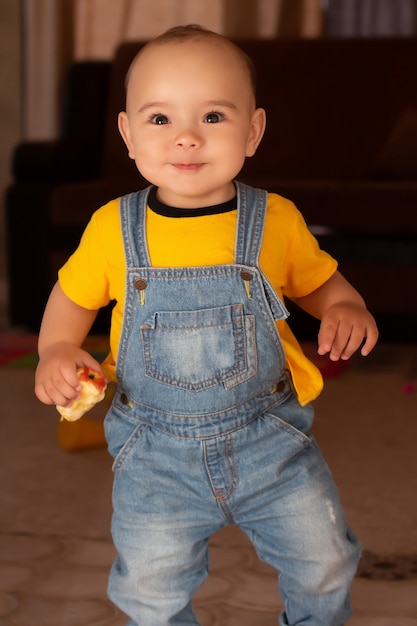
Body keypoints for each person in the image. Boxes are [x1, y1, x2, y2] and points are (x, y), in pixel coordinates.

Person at [35, 24, 379, 626]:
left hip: (270, 440)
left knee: (325, 559)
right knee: (150, 585)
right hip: (154, 454)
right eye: (161, 119)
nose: (188, 138)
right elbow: (70, 297)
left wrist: (345, 305)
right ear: (127, 135)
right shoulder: (114, 228)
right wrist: (56, 348)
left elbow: (317, 280)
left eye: (214, 117)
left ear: (254, 130)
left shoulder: (273, 218)